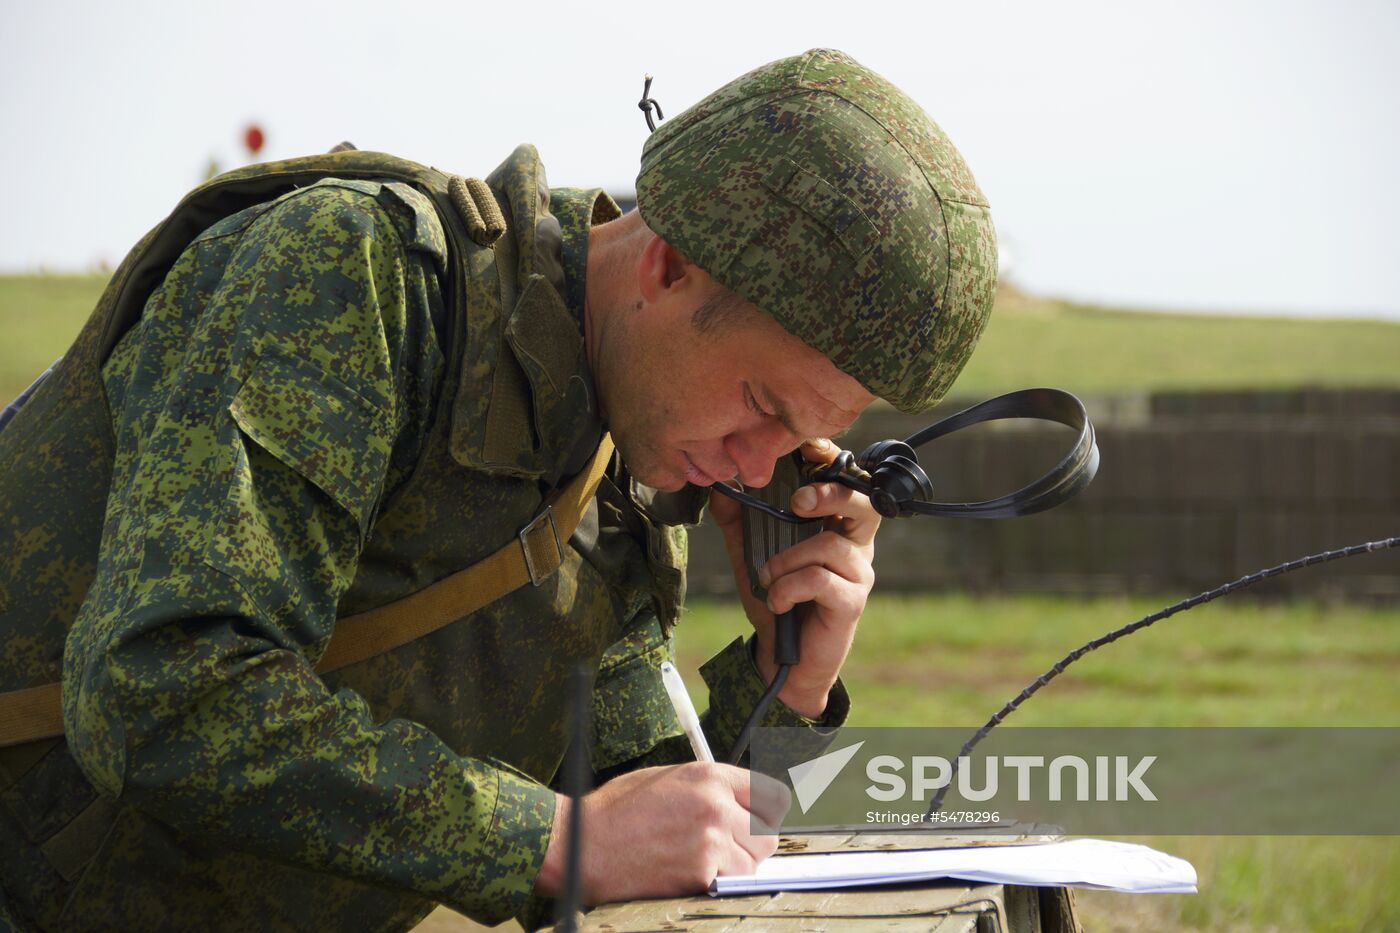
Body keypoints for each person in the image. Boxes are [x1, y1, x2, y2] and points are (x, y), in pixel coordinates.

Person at [0, 48, 996, 931]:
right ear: (668, 265)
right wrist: (556, 844)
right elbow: (161, 691)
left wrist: (790, 679)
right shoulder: (353, 283)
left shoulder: (625, 465)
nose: (750, 467)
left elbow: (640, 821)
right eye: (758, 404)